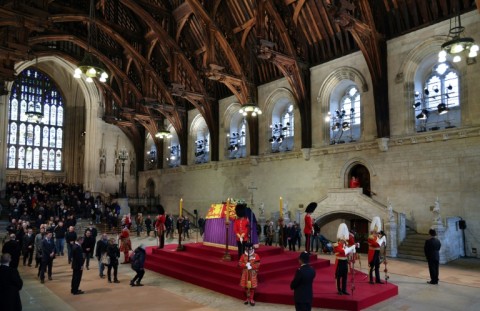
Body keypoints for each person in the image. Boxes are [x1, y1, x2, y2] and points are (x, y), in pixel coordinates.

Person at [334, 223, 356, 295]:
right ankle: (339, 289)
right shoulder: (337, 245)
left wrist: (353, 249)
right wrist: (351, 248)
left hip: (344, 262)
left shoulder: (345, 245)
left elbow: (348, 253)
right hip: (339, 262)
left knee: (345, 276)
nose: (344, 241)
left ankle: (344, 289)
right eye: (343, 240)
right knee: (339, 276)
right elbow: (343, 252)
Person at [367, 216, 386, 284]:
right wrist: (381, 240)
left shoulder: (377, 237)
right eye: (376, 232)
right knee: (372, 266)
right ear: (374, 231)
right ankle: (370, 279)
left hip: (377, 252)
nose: (378, 233)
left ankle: (377, 279)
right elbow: (376, 244)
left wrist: (384, 240)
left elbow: (381, 244)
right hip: (373, 252)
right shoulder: (371, 237)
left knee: (377, 266)